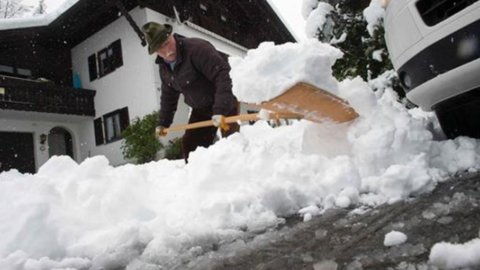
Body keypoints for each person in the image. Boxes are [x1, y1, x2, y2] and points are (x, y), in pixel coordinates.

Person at [142, 22, 239, 162]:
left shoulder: (197, 49)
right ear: (155, 52)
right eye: (160, 48)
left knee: (232, 143)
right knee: (190, 147)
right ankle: (200, 179)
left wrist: (220, 110)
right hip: (201, 109)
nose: (167, 51)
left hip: (224, 100)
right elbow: (168, 96)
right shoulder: (164, 68)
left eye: (167, 43)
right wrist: (163, 123)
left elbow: (222, 75)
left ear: (171, 36)